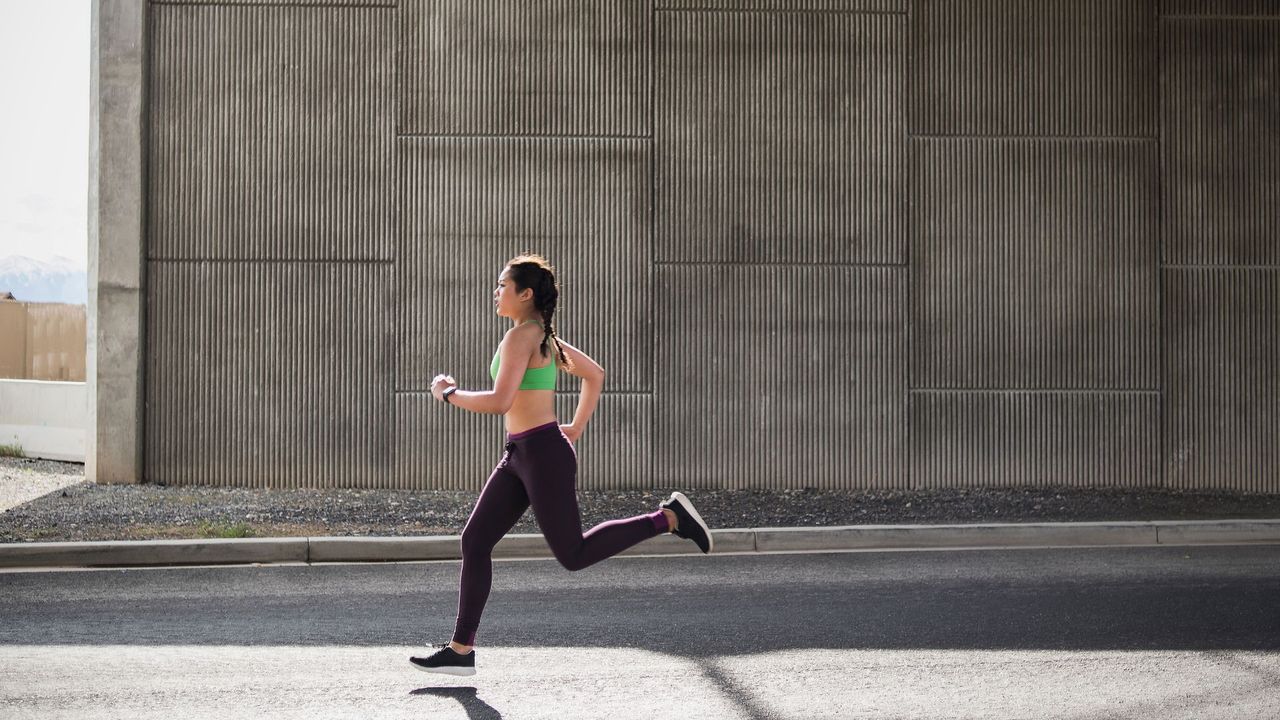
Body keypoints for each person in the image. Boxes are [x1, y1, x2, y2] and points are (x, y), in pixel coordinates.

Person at [409, 253, 712, 677]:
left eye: (503, 285)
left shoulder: (523, 338)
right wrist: (575, 428)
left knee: (573, 553)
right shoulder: (541, 337)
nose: (496, 292)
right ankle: (462, 650)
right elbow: (596, 374)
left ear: (526, 293)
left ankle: (667, 518)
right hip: (522, 454)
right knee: (475, 541)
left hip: (542, 455)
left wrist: (449, 393)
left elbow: (500, 402)